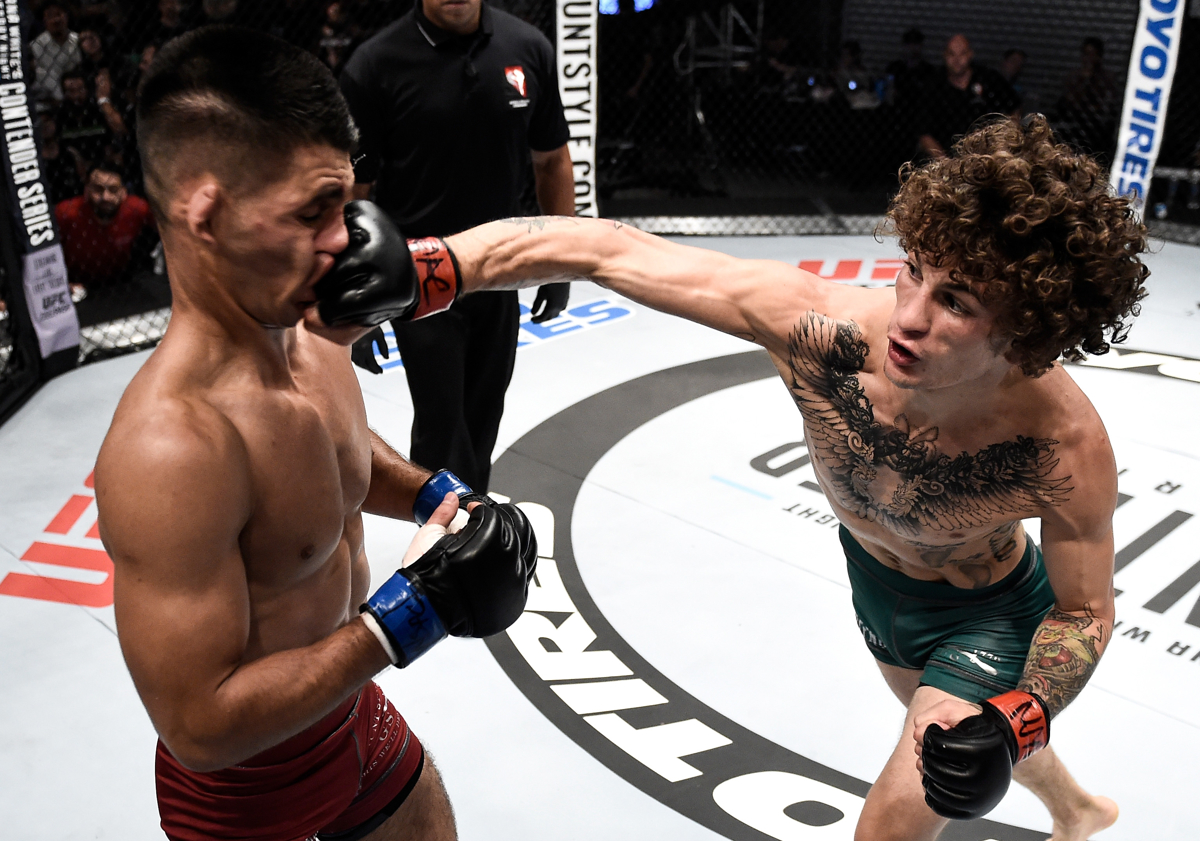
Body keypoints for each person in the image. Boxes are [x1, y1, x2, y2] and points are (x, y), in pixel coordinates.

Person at [433, 114, 1145, 840]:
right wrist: (436, 267)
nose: (909, 316)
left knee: (896, 816)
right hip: (877, 585)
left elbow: (1084, 611)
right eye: (914, 271)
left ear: (1026, 329)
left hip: (987, 611)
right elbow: (603, 249)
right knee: (959, 743)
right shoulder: (821, 335)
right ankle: (1078, 809)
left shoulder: (1062, 446)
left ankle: (1038, 774)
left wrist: (1018, 718)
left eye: (956, 301)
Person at [94, 26, 537, 841]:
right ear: (208, 213)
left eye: (344, 202)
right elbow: (200, 723)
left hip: (347, 710)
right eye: (312, 210)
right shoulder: (173, 448)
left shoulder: (310, 325)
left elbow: (338, 455)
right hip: (250, 791)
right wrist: (409, 617)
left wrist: (439, 497)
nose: (344, 237)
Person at [338, 0, 575, 492]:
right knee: (443, 425)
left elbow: (551, 160)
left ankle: (469, 534)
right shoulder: (375, 64)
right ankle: (447, 546)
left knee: (483, 415)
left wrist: (559, 260)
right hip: (421, 277)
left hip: (502, 266)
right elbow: (354, 189)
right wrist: (356, 301)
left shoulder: (526, 47)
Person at [55, 162, 156, 298]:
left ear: (123, 192)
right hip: (75, 286)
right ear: (86, 190)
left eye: (113, 190)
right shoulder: (66, 213)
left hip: (121, 283)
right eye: (98, 189)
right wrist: (60, 284)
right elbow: (44, 254)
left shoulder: (137, 209)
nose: (105, 197)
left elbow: (169, 232)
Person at [916, 34, 1019, 160]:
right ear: (944, 55)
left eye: (962, 54)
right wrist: (946, 163)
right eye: (952, 54)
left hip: (988, 159)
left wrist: (1005, 145)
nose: (957, 59)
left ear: (970, 54)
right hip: (949, 160)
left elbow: (1014, 109)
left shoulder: (988, 79)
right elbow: (923, 133)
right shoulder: (934, 86)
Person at [30, 1, 81, 111]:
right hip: (46, 103)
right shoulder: (37, 46)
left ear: (66, 16)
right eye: (50, 16)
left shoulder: (77, 40)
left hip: (76, 97)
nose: (56, 20)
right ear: (44, 21)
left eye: (58, 14)